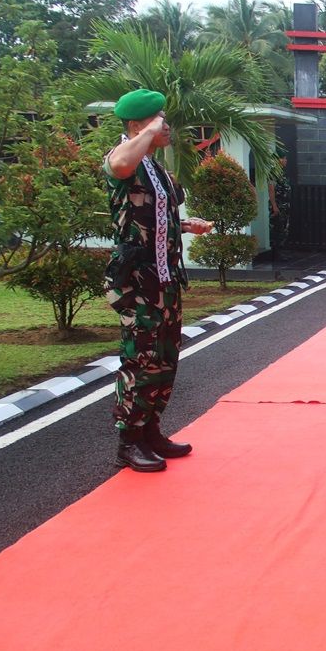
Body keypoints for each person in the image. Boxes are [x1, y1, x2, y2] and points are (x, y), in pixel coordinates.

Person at [102, 88, 213, 473]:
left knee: (165, 356)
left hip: (165, 278)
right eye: (159, 119)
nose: (167, 126)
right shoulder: (126, 159)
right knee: (141, 358)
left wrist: (184, 225)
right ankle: (128, 441)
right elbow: (117, 165)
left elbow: (152, 218)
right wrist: (146, 133)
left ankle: (151, 431)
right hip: (138, 280)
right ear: (137, 124)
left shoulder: (156, 168)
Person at [267, 155, 291, 261]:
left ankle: (280, 252)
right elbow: (271, 190)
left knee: (283, 229)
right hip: (278, 205)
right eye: (283, 158)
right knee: (277, 228)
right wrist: (274, 206)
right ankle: (276, 253)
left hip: (284, 206)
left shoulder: (281, 172)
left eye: (286, 158)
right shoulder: (273, 173)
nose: (285, 160)